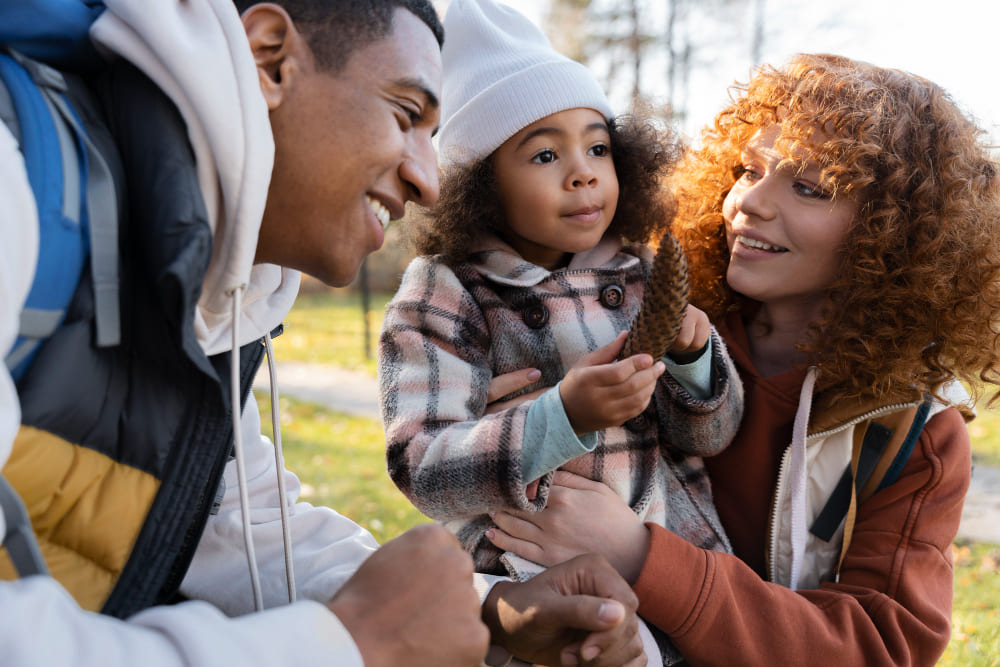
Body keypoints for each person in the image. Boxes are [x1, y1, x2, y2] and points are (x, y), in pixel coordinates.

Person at [0, 1, 648, 665]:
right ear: (269, 58)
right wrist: (347, 644)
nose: (428, 182)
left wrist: (490, 608)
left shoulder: (212, 302)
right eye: (405, 114)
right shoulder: (14, 183)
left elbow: (244, 533)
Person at [484, 52, 1000, 665]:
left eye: (809, 187)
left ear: (893, 233)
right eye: (749, 169)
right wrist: (502, 428)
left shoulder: (913, 431)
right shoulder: (649, 327)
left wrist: (642, 556)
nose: (749, 201)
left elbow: (880, 645)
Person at [377, 0, 743, 663]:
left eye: (598, 147)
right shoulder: (446, 292)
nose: (583, 171)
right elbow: (423, 467)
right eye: (545, 154)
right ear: (480, 184)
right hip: (536, 588)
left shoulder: (643, 272)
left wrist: (693, 362)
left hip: (672, 567)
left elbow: (712, 437)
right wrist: (561, 416)